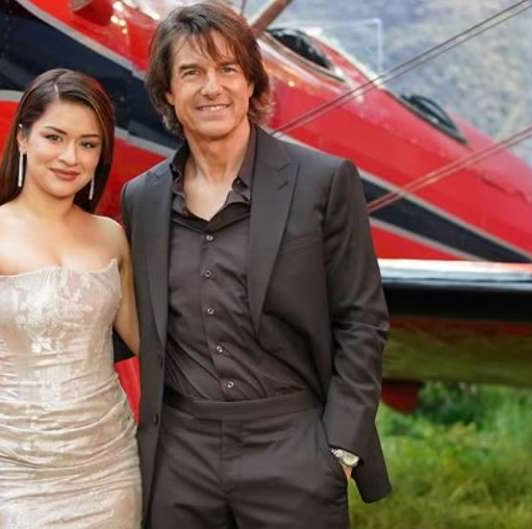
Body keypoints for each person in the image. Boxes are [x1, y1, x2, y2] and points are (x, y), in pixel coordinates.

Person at [120, 3, 391, 528]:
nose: (212, 87)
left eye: (227, 68)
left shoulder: (323, 181)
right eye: (191, 72)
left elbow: (362, 321)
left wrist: (339, 448)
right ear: (168, 92)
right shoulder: (142, 198)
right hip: (181, 455)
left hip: (292, 444)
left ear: (251, 82)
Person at [0, 68, 141, 529]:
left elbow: (146, 340)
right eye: (54, 137)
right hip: (13, 468)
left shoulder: (112, 236)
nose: (70, 157)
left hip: (110, 465)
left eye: (88, 144)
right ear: (23, 138)